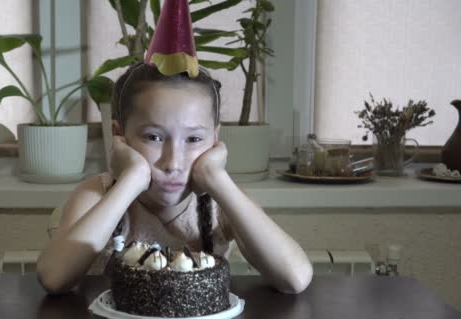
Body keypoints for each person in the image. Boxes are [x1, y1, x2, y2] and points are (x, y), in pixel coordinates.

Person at [37, 0, 312, 295]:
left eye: (194, 139)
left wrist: (217, 180)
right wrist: (130, 181)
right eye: (154, 137)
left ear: (215, 140)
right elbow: (54, 276)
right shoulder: (98, 195)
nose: (173, 161)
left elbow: (295, 278)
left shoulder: (220, 202)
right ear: (119, 135)